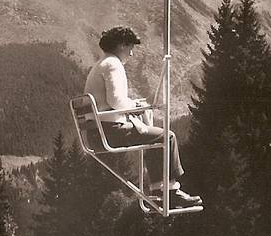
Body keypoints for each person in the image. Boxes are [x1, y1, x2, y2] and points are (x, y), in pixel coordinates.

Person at [84, 26, 201, 208]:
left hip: (96, 133)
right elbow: (115, 101)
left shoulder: (100, 64)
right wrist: (137, 107)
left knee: (153, 136)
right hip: (111, 131)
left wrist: (132, 106)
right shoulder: (113, 64)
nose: (131, 54)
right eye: (130, 47)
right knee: (167, 137)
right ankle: (170, 192)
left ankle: (159, 190)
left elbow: (109, 102)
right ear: (121, 45)